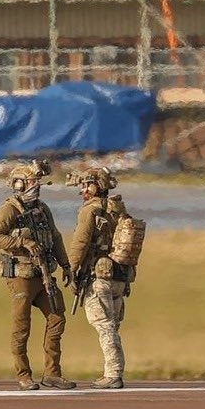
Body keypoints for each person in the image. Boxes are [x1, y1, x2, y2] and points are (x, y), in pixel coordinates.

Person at [0, 161, 73, 389]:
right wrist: (22, 242)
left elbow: (55, 237)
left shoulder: (42, 209)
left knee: (57, 318)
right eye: (32, 182)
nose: (37, 187)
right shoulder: (8, 210)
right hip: (21, 276)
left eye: (38, 182)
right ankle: (23, 374)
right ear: (19, 184)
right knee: (21, 326)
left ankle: (52, 373)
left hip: (43, 273)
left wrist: (66, 265)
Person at [66, 165, 144, 388]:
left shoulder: (89, 211)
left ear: (94, 186)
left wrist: (71, 270)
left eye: (85, 186)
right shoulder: (118, 209)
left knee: (104, 324)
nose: (82, 191)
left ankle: (113, 373)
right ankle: (112, 372)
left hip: (99, 276)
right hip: (120, 275)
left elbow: (80, 243)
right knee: (112, 325)